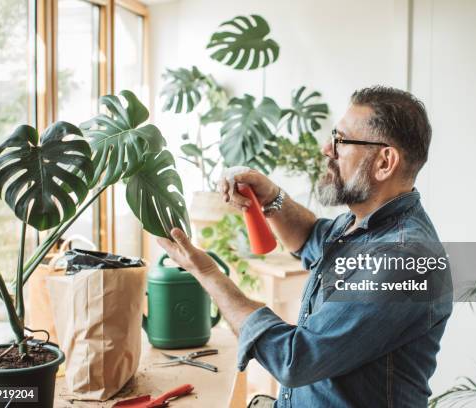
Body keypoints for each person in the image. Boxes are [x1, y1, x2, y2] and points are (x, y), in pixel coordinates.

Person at [158, 86, 453, 407]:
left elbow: (295, 359)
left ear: (385, 162)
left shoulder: (401, 259)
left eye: (342, 140)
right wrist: (272, 198)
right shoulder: (361, 223)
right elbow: (312, 237)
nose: (328, 148)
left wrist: (206, 272)